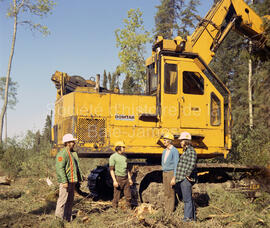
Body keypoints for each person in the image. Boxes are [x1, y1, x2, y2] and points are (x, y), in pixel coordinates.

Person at [55, 133, 83, 222]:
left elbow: (75, 167)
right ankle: (59, 220)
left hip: (72, 181)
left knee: (70, 201)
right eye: (72, 141)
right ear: (67, 143)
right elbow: (60, 168)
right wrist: (64, 181)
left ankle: (67, 219)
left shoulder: (72, 153)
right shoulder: (62, 154)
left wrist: (79, 177)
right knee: (62, 201)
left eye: (73, 141)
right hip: (66, 181)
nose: (74, 143)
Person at [172, 131, 197, 222]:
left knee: (187, 199)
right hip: (182, 178)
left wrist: (187, 175)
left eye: (181, 140)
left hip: (185, 178)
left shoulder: (190, 151)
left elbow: (192, 164)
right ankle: (192, 218)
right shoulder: (186, 151)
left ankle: (187, 218)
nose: (180, 142)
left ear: (186, 141)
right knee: (188, 199)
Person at [109, 141, 133, 210]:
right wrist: (114, 181)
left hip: (126, 178)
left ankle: (129, 208)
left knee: (128, 195)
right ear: (118, 148)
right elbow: (111, 170)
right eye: (123, 147)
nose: (124, 148)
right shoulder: (113, 157)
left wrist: (130, 179)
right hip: (118, 178)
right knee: (116, 195)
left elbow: (127, 169)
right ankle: (114, 209)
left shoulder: (125, 156)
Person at [161, 132, 179, 212]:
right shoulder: (164, 151)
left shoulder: (174, 151)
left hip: (171, 173)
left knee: (171, 193)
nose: (164, 142)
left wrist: (174, 177)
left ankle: (170, 212)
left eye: (165, 140)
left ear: (169, 141)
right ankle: (166, 209)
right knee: (166, 192)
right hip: (165, 172)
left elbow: (176, 164)